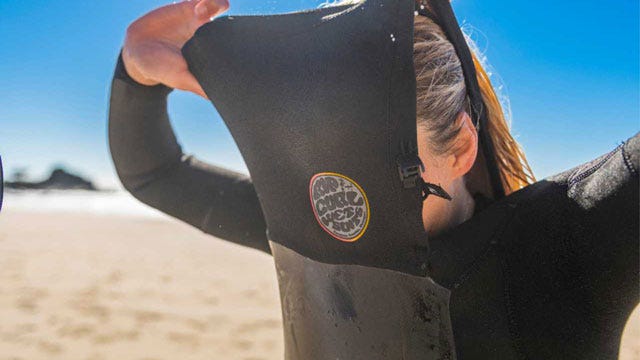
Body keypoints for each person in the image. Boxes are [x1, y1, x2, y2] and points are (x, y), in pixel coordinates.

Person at [109, 0, 639, 358]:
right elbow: (155, 173)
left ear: (460, 144)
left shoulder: (570, 239)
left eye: (369, 155)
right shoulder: (312, 228)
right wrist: (135, 73)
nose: (335, 190)